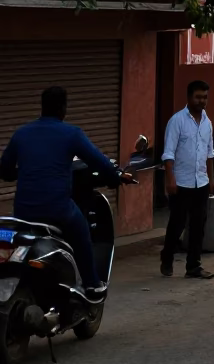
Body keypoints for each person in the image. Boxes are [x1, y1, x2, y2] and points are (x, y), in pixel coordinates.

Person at [0, 86, 131, 298]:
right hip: (58, 209)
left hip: (23, 212)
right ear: (63, 108)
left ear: (42, 107)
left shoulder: (21, 133)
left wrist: (23, 171)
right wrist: (115, 177)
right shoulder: (71, 134)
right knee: (82, 231)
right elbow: (99, 161)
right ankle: (91, 283)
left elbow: (5, 170)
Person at [160, 79, 214, 279]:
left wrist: (211, 179)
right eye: (198, 97)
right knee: (177, 224)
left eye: (205, 97)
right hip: (181, 183)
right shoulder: (177, 121)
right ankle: (167, 256)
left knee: (198, 226)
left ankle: (193, 266)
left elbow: (209, 153)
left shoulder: (207, 123)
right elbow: (168, 153)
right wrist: (170, 179)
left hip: (201, 182)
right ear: (189, 97)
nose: (202, 101)